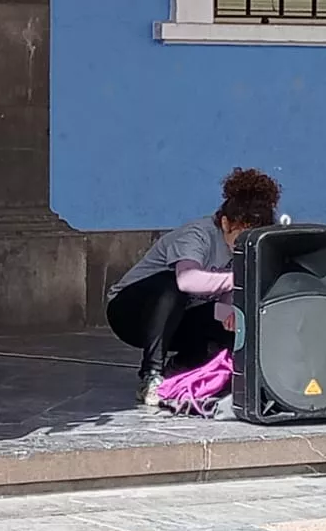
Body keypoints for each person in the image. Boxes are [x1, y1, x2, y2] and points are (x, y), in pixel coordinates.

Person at [106, 168, 282, 408]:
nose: (244, 242)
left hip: (181, 318)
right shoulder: (198, 235)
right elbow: (187, 281)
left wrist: (230, 312)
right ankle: (151, 374)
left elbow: (225, 295)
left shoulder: (246, 251)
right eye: (241, 232)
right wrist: (237, 279)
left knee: (236, 326)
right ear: (225, 223)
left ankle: (180, 367)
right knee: (171, 286)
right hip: (131, 313)